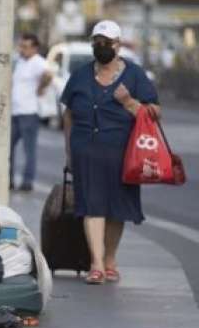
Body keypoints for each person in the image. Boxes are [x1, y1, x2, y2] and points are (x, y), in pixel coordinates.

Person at [61, 20, 161, 285]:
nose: (101, 47)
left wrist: (129, 102)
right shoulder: (80, 75)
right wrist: (69, 150)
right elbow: (68, 113)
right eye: (97, 42)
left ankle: (110, 261)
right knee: (91, 205)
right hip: (86, 150)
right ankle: (96, 264)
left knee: (117, 208)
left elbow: (154, 113)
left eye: (107, 42)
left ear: (118, 45)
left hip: (123, 152)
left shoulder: (135, 75)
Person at [10, 33, 52, 191]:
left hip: (29, 112)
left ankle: (27, 182)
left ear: (35, 48)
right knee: (7, 148)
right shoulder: (20, 61)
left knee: (29, 150)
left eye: (26, 47)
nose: (22, 49)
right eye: (21, 46)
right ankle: (9, 179)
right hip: (15, 111)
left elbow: (48, 75)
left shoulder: (38, 62)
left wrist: (41, 88)